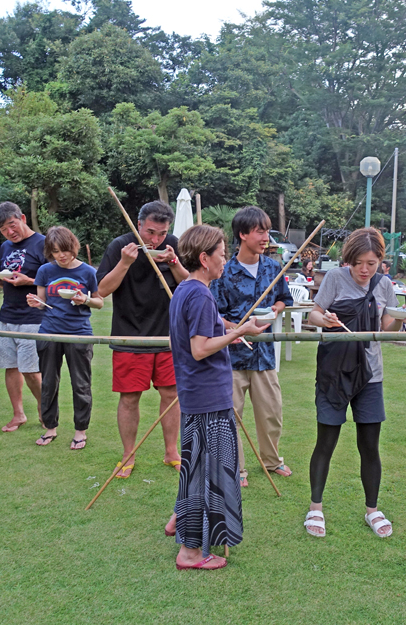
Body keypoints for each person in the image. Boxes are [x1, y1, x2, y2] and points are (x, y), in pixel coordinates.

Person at [162, 225, 264, 570]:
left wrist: (224, 329)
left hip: (197, 394)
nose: (225, 258)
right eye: (221, 253)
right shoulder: (201, 293)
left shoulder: (186, 289)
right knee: (205, 475)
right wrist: (239, 331)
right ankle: (190, 552)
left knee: (196, 466)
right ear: (204, 258)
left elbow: (202, 328)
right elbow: (200, 347)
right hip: (207, 398)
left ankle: (179, 516)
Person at [304, 228, 404, 540]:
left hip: (370, 374)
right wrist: (326, 320)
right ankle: (315, 507)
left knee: (370, 445)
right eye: (358, 262)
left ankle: (372, 509)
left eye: (371, 263)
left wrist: (400, 316)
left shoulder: (384, 285)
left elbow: (387, 329)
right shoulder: (334, 278)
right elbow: (313, 315)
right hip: (334, 372)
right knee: (326, 441)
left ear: (380, 262)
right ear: (348, 260)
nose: (364, 269)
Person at [96, 200, 189, 478]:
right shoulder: (120, 246)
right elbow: (102, 290)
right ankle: (128, 454)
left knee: (171, 395)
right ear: (138, 225)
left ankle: (171, 451)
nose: (156, 239)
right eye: (150, 232)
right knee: (129, 397)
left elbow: (189, 285)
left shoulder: (173, 244)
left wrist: (173, 260)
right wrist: (126, 262)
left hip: (168, 334)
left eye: (161, 233)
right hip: (129, 334)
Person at [211, 207, 295, 487]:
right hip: (231, 356)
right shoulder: (223, 270)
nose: (265, 237)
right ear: (242, 234)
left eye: (267, 231)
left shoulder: (273, 267)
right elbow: (215, 314)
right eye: (260, 231)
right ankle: (238, 469)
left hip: (264, 355)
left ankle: (272, 461)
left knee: (271, 413)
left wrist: (276, 308)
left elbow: (284, 298)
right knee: (232, 416)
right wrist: (235, 328)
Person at [27, 226, 103, 450]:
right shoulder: (45, 271)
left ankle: (80, 431)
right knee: (49, 382)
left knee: (81, 383)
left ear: (74, 248)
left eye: (66, 250)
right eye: (56, 251)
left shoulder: (87, 271)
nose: (61, 255)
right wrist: (34, 302)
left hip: (78, 333)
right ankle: (50, 427)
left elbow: (99, 302)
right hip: (49, 331)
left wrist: (85, 300)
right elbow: (42, 303)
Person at [0, 202, 46, 432]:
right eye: (3, 229)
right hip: (7, 315)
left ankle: (43, 409)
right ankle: (18, 414)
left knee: (31, 369)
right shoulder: (5, 247)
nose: (10, 232)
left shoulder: (43, 243)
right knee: (10, 367)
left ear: (22, 218)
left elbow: (55, 279)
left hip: (32, 316)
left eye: (12, 225)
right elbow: (6, 278)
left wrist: (29, 281)